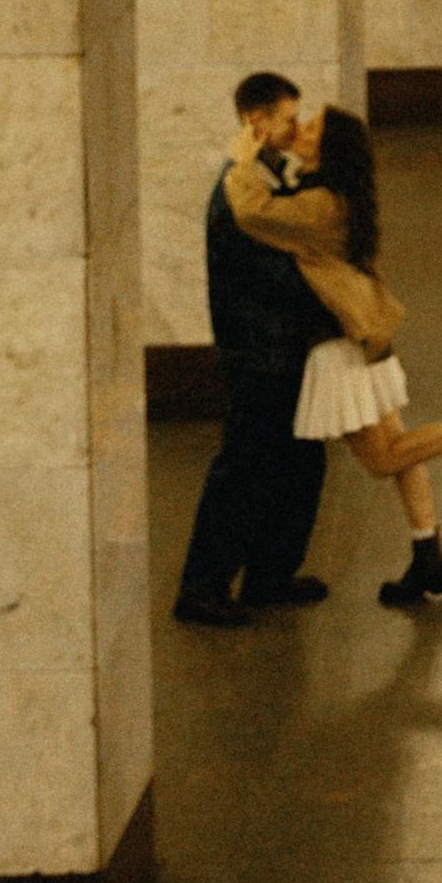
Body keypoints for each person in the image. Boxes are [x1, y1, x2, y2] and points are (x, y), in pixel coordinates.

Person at [223, 100, 442, 609]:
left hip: (338, 345)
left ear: (327, 150)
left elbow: (252, 212)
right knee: (405, 450)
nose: (301, 130)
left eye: (310, 128)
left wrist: (242, 162)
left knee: (385, 459)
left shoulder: (323, 206)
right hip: (367, 338)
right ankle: (428, 552)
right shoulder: (342, 196)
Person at [171, 69, 338, 628]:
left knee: (300, 461)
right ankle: (202, 586)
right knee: (243, 469)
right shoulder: (239, 193)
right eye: (288, 119)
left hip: (282, 351)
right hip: (258, 355)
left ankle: (271, 574)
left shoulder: (267, 180)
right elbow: (278, 273)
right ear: (255, 120)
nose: (295, 129)